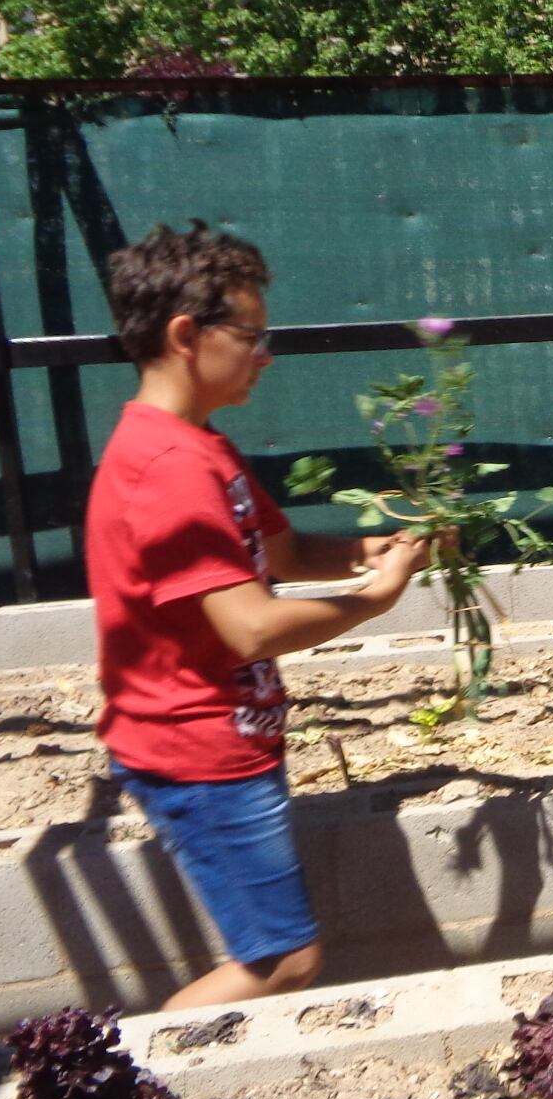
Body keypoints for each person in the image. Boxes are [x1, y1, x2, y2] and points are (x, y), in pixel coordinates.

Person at [88, 223, 429, 1010]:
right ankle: (133, 1088)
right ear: (185, 335)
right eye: (251, 334)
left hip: (228, 736)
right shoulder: (168, 469)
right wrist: (374, 598)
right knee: (281, 961)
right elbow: (249, 624)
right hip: (196, 752)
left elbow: (281, 551)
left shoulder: (199, 447)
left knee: (278, 951)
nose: (266, 354)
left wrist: (374, 547)